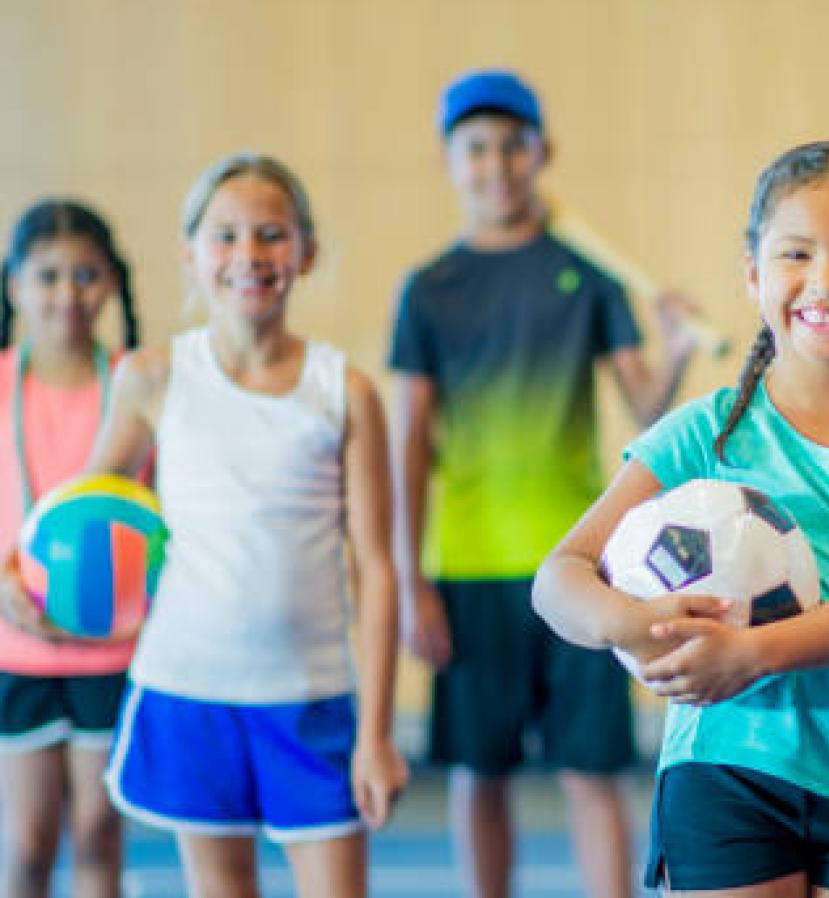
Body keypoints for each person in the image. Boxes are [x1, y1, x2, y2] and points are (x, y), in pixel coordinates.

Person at [533, 140, 829, 898]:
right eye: (796, 255)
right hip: (724, 771)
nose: (826, 282)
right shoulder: (699, 436)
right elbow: (559, 578)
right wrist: (635, 624)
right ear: (752, 273)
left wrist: (747, 655)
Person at [388, 67, 698, 898]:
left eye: (512, 147)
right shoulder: (428, 289)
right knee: (479, 772)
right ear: (450, 160)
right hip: (471, 568)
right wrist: (410, 579)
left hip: (583, 567)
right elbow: (409, 440)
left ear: (542, 153)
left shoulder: (587, 274)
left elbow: (644, 406)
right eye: (476, 149)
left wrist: (673, 346)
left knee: (592, 770)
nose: (495, 165)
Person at [85, 153, 407, 897]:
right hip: (189, 686)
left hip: (310, 696)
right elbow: (85, 509)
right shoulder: (152, 378)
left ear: (306, 252)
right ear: (190, 254)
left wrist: (378, 732)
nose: (250, 256)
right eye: (226, 236)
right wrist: (20, 567)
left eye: (272, 234)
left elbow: (378, 567)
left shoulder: (343, 390)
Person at [0, 199, 141, 898]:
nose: (67, 295)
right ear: (15, 285)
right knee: (26, 846)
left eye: (86, 275)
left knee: (96, 831)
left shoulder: (138, 383)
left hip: (115, 646)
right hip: (15, 651)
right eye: (48, 276)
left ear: (112, 283)